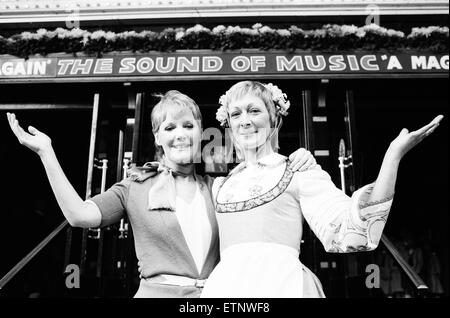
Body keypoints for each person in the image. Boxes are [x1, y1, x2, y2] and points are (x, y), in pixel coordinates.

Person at [6, 90, 315, 298]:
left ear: (200, 131)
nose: (180, 134)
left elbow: (263, 205)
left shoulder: (221, 187)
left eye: (187, 125)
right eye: (169, 128)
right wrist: (47, 153)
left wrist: (296, 161)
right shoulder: (134, 187)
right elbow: (79, 216)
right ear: (157, 137)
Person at [200, 80, 443, 298]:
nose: (245, 121)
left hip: (282, 287)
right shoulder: (221, 185)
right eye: (236, 114)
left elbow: (351, 232)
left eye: (254, 110)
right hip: (226, 289)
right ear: (229, 125)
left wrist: (392, 158)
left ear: (274, 118)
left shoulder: (298, 170)